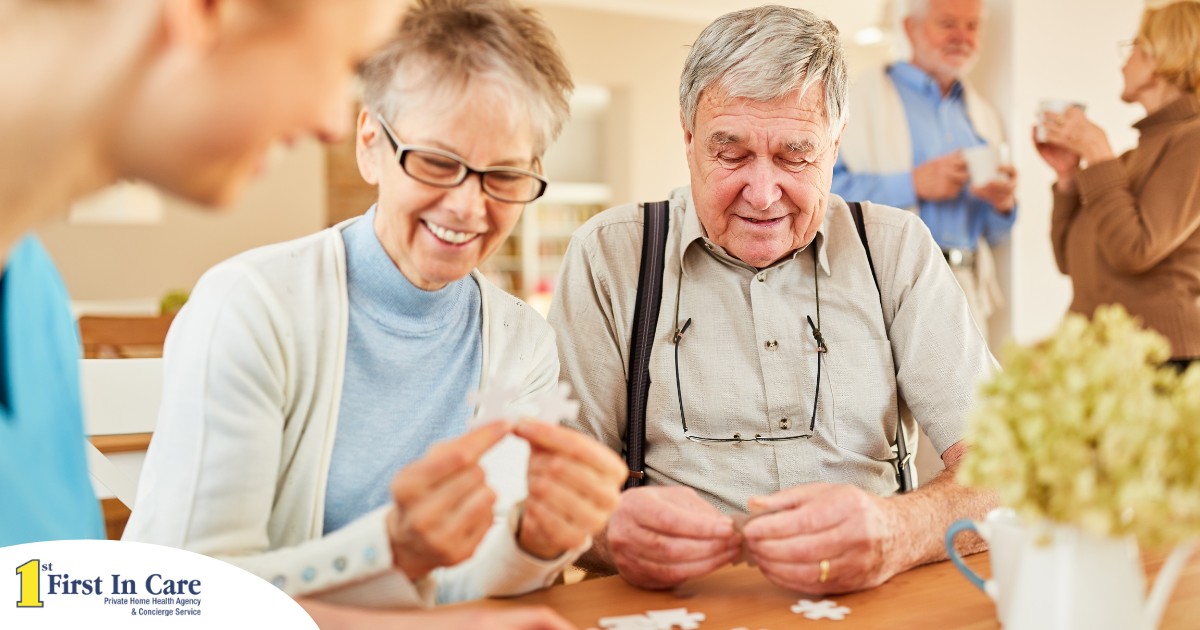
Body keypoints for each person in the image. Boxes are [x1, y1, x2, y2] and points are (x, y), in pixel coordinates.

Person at [123, 0, 626, 609]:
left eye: (504, 175)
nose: (469, 208)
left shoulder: (523, 341)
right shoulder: (252, 307)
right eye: (438, 162)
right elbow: (187, 594)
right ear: (370, 145)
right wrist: (393, 547)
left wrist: (536, 542)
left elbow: (468, 589)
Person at [549, 5, 997, 595]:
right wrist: (608, 529)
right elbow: (557, 491)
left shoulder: (897, 250)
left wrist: (898, 528)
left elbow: (1009, 470)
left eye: (795, 154)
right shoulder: (608, 256)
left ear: (835, 146)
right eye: (730, 153)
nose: (763, 195)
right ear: (688, 140)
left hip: (874, 602)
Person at [0, 0, 403, 550]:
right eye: (346, 64)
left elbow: (42, 593)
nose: (332, 123)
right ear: (208, 10)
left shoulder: (34, 304)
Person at [832, 0, 1017, 331]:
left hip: (968, 294)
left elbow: (995, 234)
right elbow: (825, 193)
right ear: (910, 29)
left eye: (972, 26)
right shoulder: (856, 99)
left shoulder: (983, 116)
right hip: (887, 289)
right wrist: (913, 184)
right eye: (947, 24)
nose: (962, 36)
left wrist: (1003, 205)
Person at [1037, 0, 1200, 369]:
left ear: (1163, 55)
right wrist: (1067, 177)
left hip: (1160, 362)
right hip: (1104, 359)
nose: (1123, 62)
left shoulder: (1194, 141)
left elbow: (1134, 249)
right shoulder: (1132, 159)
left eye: (1135, 47)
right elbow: (1068, 261)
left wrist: (1097, 153)